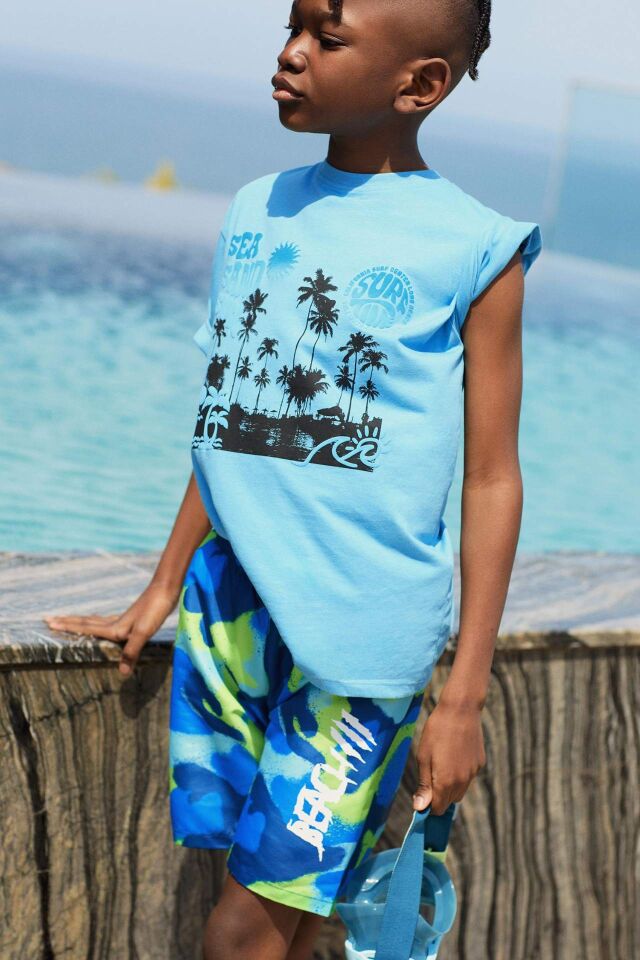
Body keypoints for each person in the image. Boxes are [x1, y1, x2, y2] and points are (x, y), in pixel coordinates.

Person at [44, 1, 542, 957]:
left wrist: (463, 701)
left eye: (328, 37)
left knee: (241, 936)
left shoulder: (479, 249)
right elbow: (236, 418)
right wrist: (161, 586)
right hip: (230, 616)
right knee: (274, 914)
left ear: (420, 85)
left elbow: (491, 479)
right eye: (293, 25)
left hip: (361, 648)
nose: (291, 53)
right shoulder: (256, 208)